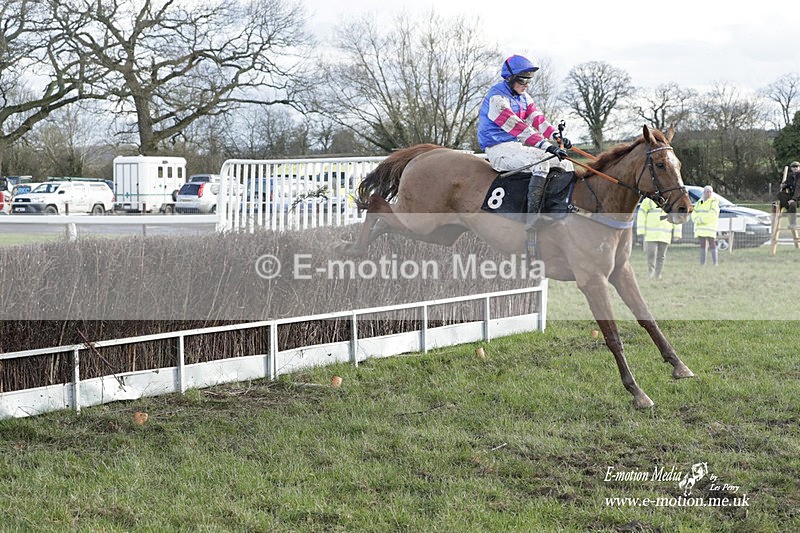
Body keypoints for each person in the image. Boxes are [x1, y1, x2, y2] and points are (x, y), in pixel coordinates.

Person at [477, 55, 570, 238]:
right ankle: (532, 218)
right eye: (522, 80)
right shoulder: (497, 99)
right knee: (541, 162)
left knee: (566, 164)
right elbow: (519, 127)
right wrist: (546, 146)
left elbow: (538, 119)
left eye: (529, 80)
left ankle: (557, 210)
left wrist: (556, 136)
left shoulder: (524, 97)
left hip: (514, 147)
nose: (526, 84)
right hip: (498, 149)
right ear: (510, 78)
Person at [636, 197, 681, 279]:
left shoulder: (671, 201)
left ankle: (658, 275)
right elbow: (641, 214)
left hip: (665, 234)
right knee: (651, 254)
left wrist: (677, 233)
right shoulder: (648, 200)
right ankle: (651, 273)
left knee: (661, 256)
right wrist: (641, 230)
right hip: (651, 234)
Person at [691, 185, 720, 266]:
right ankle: (702, 263)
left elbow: (713, 214)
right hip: (701, 228)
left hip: (710, 227)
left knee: (712, 243)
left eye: (710, 191)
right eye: (707, 191)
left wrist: (701, 220)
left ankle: (715, 263)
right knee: (702, 244)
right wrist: (696, 219)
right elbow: (694, 212)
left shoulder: (713, 202)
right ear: (704, 192)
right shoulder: (699, 202)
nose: (709, 193)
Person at [778, 161, 799, 228]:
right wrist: (783, 185)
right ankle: (789, 211)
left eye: (797, 166)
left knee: (793, 204)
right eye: (794, 167)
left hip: (798, 197)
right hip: (792, 196)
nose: (795, 168)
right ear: (791, 168)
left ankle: (793, 223)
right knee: (780, 195)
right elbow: (787, 184)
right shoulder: (790, 176)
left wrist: (793, 199)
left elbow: (798, 188)